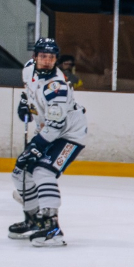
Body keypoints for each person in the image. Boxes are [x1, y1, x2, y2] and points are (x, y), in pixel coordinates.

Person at [9, 38, 88, 247]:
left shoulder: (57, 87)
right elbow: (29, 91)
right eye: (42, 56)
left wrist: (36, 147)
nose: (46, 61)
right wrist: (25, 103)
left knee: (43, 171)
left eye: (51, 57)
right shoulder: (28, 69)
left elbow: (56, 126)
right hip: (48, 130)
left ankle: (52, 226)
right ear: (34, 57)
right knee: (20, 173)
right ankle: (33, 220)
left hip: (70, 135)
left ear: (56, 60)